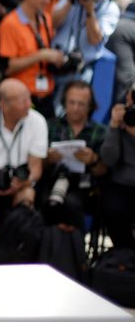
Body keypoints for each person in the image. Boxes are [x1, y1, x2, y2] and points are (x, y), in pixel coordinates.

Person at [0, 79, 48, 260]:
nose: (29, 104)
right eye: (22, 100)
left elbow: (36, 167)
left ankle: (16, 255)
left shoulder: (37, 121)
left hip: (22, 181)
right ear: (4, 104)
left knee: (28, 195)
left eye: (29, 98)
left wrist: (24, 181)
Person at [0, 0, 64, 118]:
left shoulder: (45, 18)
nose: (47, 1)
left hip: (47, 96)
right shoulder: (10, 24)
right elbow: (7, 67)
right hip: (21, 99)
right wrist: (40, 56)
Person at [42, 81, 107, 229]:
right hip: (52, 181)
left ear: (90, 106)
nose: (76, 108)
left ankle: (73, 249)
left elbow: (105, 171)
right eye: (72, 102)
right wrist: (47, 159)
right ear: (64, 102)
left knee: (73, 204)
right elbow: (37, 165)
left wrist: (93, 160)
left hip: (84, 186)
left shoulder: (100, 132)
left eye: (81, 104)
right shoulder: (50, 126)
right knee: (44, 202)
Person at [100, 87, 135, 250]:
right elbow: (108, 159)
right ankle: (125, 255)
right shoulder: (123, 118)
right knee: (113, 208)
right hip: (122, 183)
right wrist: (114, 127)